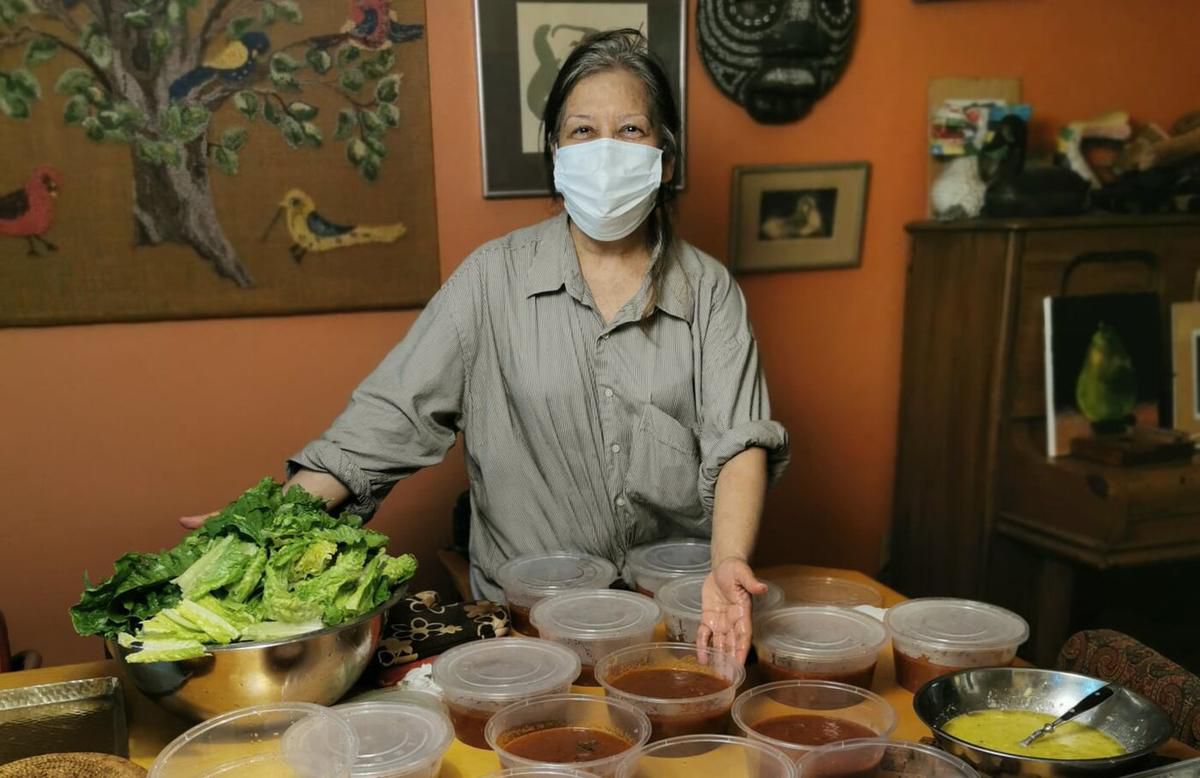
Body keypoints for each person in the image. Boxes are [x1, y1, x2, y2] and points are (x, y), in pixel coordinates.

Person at [182, 29, 788, 661]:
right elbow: (388, 418)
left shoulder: (709, 290)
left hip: (675, 619)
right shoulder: (490, 279)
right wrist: (264, 524)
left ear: (664, 159)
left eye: (631, 129)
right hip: (528, 622)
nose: (605, 149)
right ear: (554, 154)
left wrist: (728, 561)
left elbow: (739, 440)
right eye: (582, 131)